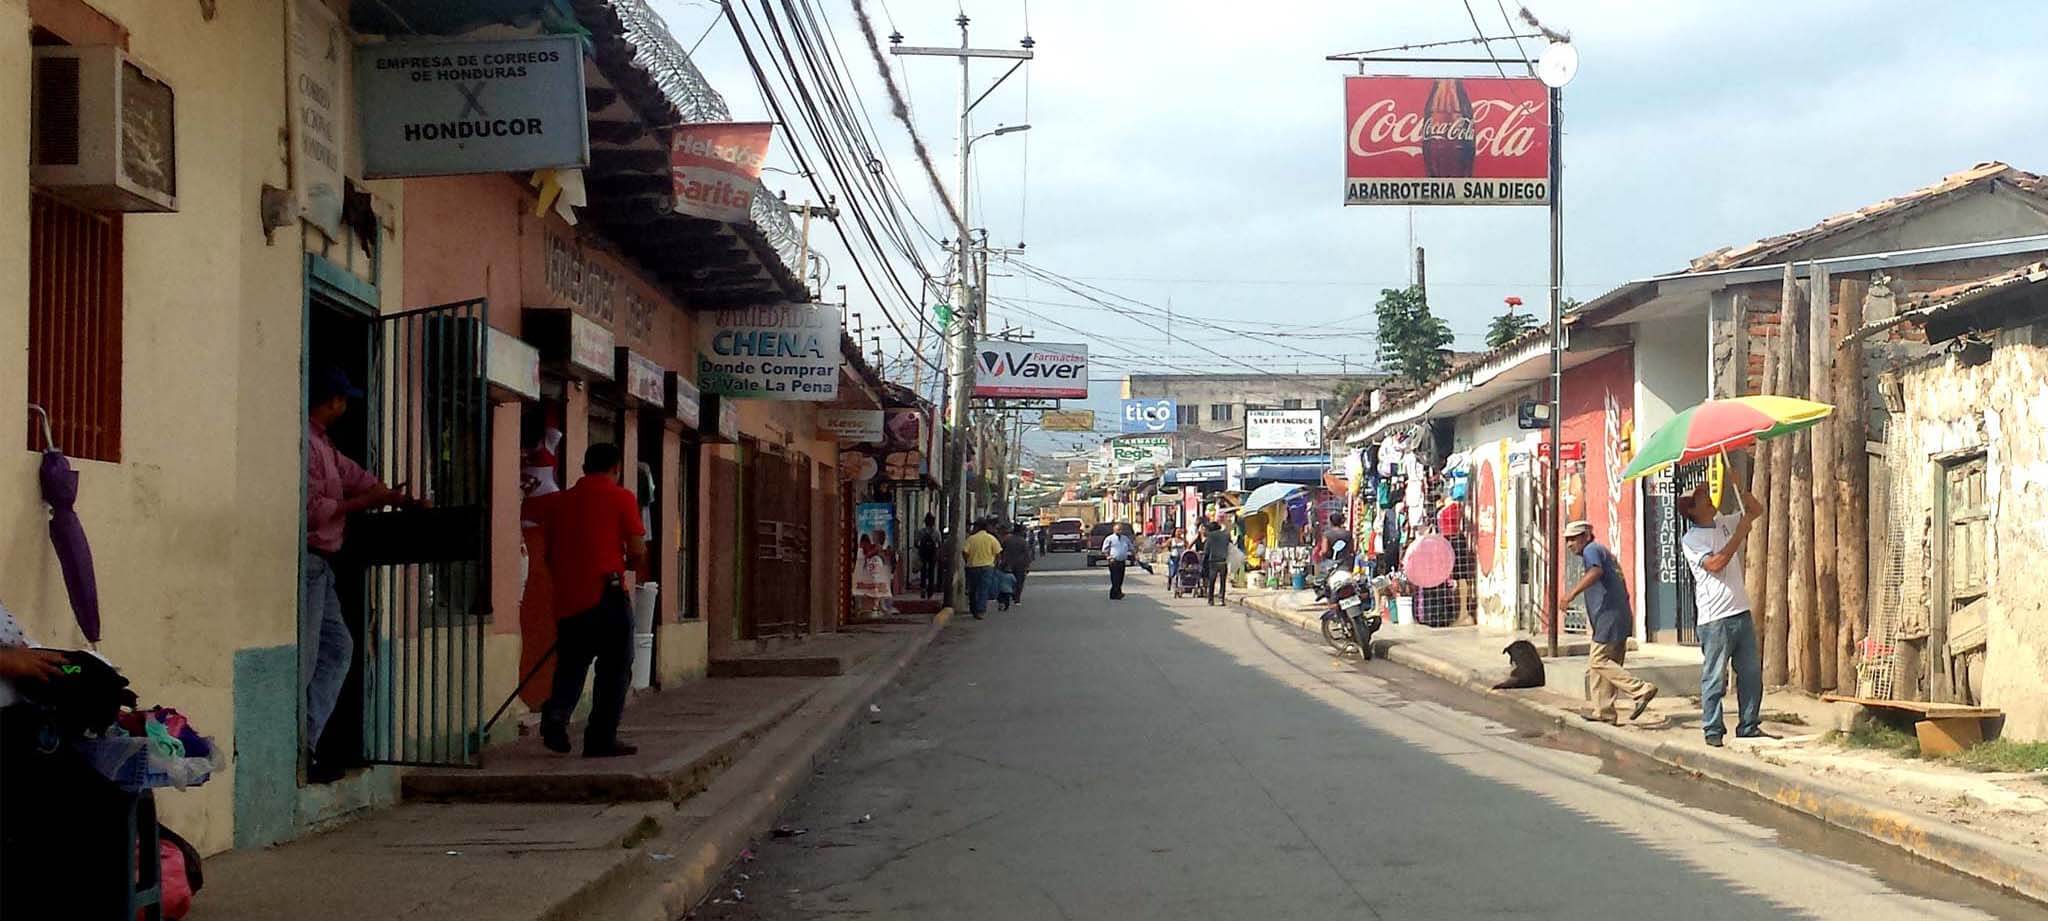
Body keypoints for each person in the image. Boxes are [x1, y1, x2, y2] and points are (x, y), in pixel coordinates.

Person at [304, 365, 420, 782]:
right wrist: (364, 502)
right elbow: (314, 509)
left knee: (337, 649)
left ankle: (310, 742)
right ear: (333, 400)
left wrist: (391, 497)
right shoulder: (305, 444)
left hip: (324, 567)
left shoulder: (323, 444)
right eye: (343, 399)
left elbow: (354, 476)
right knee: (312, 657)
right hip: (310, 561)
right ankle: (304, 751)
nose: (346, 406)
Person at [524, 443, 647, 758]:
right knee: (615, 668)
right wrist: (628, 562)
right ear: (616, 468)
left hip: (568, 599)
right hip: (607, 594)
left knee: (571, 664)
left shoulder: (560, 503)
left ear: (583, 467)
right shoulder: (622, 498)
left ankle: (556, 715)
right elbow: (636, 550)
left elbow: (549, 555)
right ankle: (600, 738)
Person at [1680, 479, 1770, 747]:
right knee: (1715, 677)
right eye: (1701, 498)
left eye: (1706, 494)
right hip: (1715, 618)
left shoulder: (1722, 522)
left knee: (1751, 674)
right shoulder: (1692, 539)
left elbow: (1756, 511)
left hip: (1739, 610)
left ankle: (1749, 724)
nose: (1708, 499)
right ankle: (1713, 729)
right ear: (1692, 511)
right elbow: (1716, 564)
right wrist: (1740, 533)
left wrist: (1740, 486)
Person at [1561, 520, 1657, 724]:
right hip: (1618, 616)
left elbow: (1596, 572)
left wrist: (1570, 595)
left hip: (1609, 618)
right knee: (1602, 668)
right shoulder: (1604, 553)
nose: (1570, 544)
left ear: (1586, 536)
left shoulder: (1592, 550)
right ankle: (1604, 713)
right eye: (1567, 540)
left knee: (1598, 661)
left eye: (1574, 539)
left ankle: (1641, 689)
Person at [961, 519, 1002, 620]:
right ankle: (980, 610)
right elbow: (998, 553)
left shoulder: (971, 539)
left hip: (972, 567)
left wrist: (968, 561)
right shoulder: (991, 539)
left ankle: (973, 608)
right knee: (983, 589)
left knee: (973, 589)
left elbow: (965, 552)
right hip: (987, 567)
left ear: (977, 527)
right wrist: (995, 563)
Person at [1001, 523, 1034, 607]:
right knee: (1019, 582)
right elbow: (1027, 555)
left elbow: (1001, 551)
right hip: (1020, 565)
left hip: (1007, 563)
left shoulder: (1007, 540)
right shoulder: (1023, 541)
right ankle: (1017, 598)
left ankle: (1007, 596)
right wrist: (1027, 566)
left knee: (1007, 581)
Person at [1202, 520, 1233, 606]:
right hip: (1223, 560)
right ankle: (1221, 599)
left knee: (1212, 580)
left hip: (1213, 561)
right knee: (1223, 581)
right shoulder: (1226, 535)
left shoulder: (1210, 536)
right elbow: (1230, 545)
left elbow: (1207, 550)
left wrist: (1204, 559)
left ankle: (1211, 599)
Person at [1103, 523, 1135, 600]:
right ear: (1114, 530)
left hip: (1122, 561)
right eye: (1117, 529)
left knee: (1120, 579)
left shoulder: (1125, 538)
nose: (1119, 531)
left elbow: (1131, 547)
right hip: (1113, 561)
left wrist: (1134, 554)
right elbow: (1104, 549)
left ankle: (1114, 594)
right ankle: (1116, 593)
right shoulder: (1109, 538)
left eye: (1120, 530)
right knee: (1115, 578)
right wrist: (1108, 557)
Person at [915, 514, 940, 598]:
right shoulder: (936, 532)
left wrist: (920, 549)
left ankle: (923, 589)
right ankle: (930, 590)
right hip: (932, 555)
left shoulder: (921, 532)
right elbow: (939, 544)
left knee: (923, 571)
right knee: (931, 572)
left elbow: (916, 543)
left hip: (923, 554)